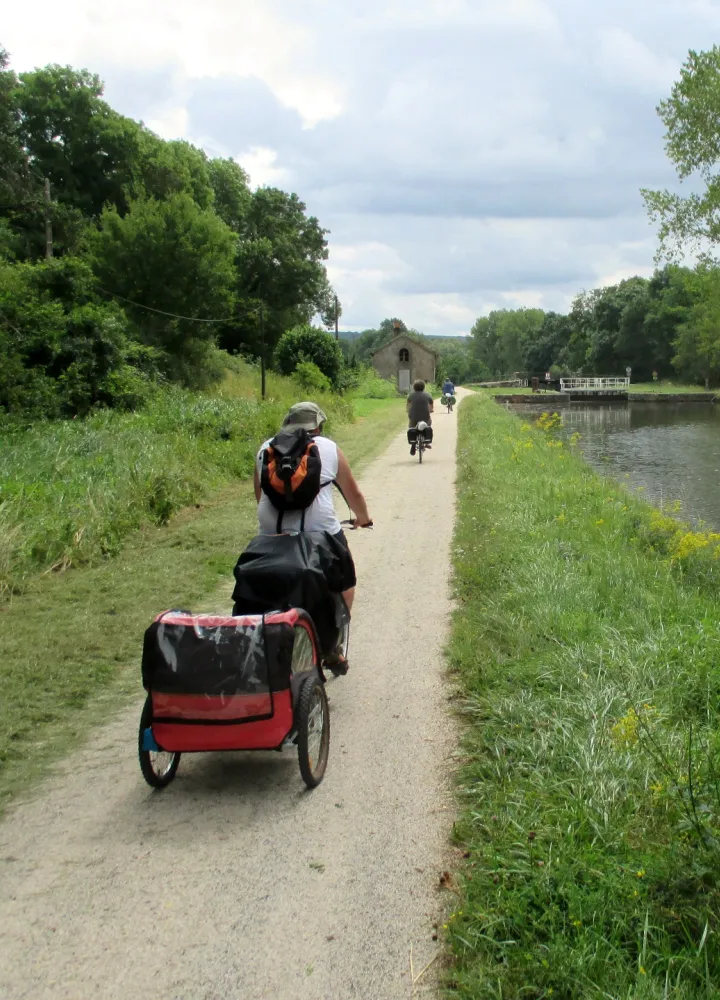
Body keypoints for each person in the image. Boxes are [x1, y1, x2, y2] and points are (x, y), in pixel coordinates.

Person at [253, 401, 372, 620]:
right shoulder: (328, 447)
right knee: (345, 580)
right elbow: (353, 494)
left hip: (271, 532)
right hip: (321, 532)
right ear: (317, 426)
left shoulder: (266, 448)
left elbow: (260, 496)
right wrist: (363, 518)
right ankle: (336, 642)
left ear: (288, 424)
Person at [406, 379, 434, 455]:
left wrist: (408, 410)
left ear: (414, 387)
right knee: (428, 423)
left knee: (412, 427)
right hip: (425, 416)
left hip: (413, 417)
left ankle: (413, 444)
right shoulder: (427, 395)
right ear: (423, 387)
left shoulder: (411, 395)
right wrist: (431, 409)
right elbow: (431, 403)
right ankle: (425, 442)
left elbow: (408, 404)